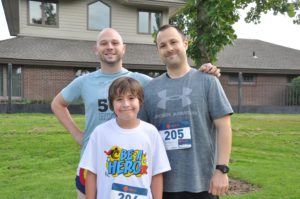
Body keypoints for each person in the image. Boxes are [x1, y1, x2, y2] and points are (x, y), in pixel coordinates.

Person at [51, 27, 220, 198]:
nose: (109, 47)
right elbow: (58, 104)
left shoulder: (143, 82)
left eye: (115, 43)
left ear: (123, 48)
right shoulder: (84, 81)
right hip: (94, 163)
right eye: (104, 43)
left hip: (132, 166)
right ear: (96, 49)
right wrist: (78, 134)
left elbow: (172, 83)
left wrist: (203, 72)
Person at [140, 24, 233, 199]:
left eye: (173, 42)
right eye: (162, 45)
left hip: (202, 183)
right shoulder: (150, 89)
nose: (169, 48)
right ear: (158, 51)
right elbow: (140, 134)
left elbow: (224, 126)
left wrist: (222, 169)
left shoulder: (208, 81)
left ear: (186, 44)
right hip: (161, 184)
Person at [79, 77, 171, 199]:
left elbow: (157, 173)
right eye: (119, 99)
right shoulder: (100, 133)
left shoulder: (151, 132)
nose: (126, 104)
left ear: (140, 101)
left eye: (131, 98)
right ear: (112, 103)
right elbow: (91, 173)